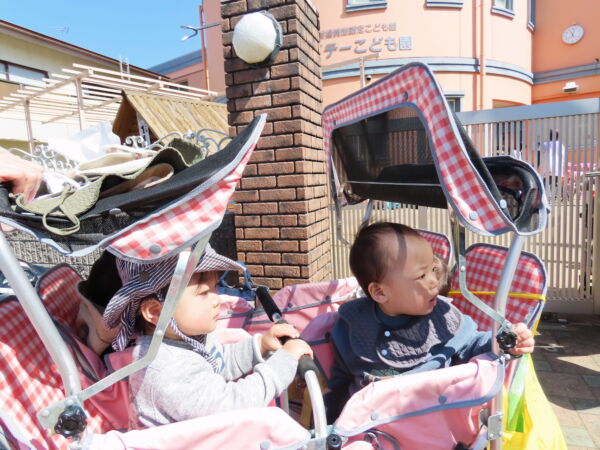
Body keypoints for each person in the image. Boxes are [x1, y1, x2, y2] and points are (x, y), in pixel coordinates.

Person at [326, 222, 534, 420]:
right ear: (380, 292)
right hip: (370, 423)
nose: (434, 281)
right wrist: (331, 419)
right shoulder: (353, 325)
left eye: (433, 270)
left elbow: (472, 344)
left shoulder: (442, 318)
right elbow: (341, 380)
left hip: (430, 424)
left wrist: (505, 341)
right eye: (421, 276)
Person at [101, 244, 313, 428]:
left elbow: (220, 361)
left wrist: (261, 345)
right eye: (204, 292)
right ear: (156, 312)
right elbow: (234, 405)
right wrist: (284, 362)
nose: (217, 299)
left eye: (215, 287)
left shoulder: (188, 338)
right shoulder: (165, 369)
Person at [537, 130, 566, 197]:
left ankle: (548, 198)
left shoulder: (545, 144)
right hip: (558, 170)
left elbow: (539, 156)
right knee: (555, 185)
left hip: (547, 169)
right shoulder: (561, 146)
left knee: (545, 185)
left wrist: (538, 166)